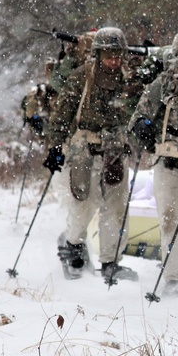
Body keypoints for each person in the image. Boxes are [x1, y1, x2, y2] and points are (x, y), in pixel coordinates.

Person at [44, 26, 144, 282]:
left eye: (117, 55)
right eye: (108, 55)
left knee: (116, 208)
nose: (113, 61)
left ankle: (111, 262)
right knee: (83, 205)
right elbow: (61, 115)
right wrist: (55, 147)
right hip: (84, 150)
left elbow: (137, 109)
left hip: (114, 151)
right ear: (98, 54)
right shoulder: (81, 77)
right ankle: (72, 245)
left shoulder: (128, 78)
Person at [129, 28, 178, 297]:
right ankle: (174, 277)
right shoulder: (168, 79)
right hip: (170, 158)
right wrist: (142, 125)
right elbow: (140, 111)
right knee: (171, 220)